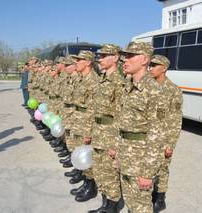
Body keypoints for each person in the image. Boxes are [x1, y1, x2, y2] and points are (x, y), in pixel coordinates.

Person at [115, 41, 163, 213]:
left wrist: (147, 172)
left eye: (130, 56)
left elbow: (157, 134)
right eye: (124, 56)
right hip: (126, 156)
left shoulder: (154, 90)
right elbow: (122, 124)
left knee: (141, 207)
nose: (124, 60)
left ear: (144, 60)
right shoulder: (128, 87)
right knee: (130, 202)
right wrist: (117, 151)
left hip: (141, 161)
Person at [88, 44, 123, 213]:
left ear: (115, 57)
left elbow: (121, 115)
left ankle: (112, 207)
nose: (99, 59)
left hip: (110, 134)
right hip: (98, 132)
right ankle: (104, 204)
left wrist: (115, 143)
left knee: (110, 173)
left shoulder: (119, 82)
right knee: (100, 170)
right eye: (99, 56)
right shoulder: (102, 79)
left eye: (103, 56)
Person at [148, 55, 183, 212]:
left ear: (164, 68)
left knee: (162, 169)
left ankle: (160, 199)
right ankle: (146, 196)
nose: (151, 68)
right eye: (150, 65)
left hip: (162, 139)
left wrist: (170, 145)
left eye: (155, 65)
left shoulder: (173, 90)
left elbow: (175, 121)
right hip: (146, 137)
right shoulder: (146, 86)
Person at [69, 50, 99, 202]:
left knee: (87, 155)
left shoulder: (93, 81)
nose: (76, 63)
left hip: (86, 123)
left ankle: (91, 187)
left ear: (88, 62)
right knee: (79, 151)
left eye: (79, 60)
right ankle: (86, 182)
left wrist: (88, 131)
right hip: (78, 119)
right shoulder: (82, 79)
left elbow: (93, 110)